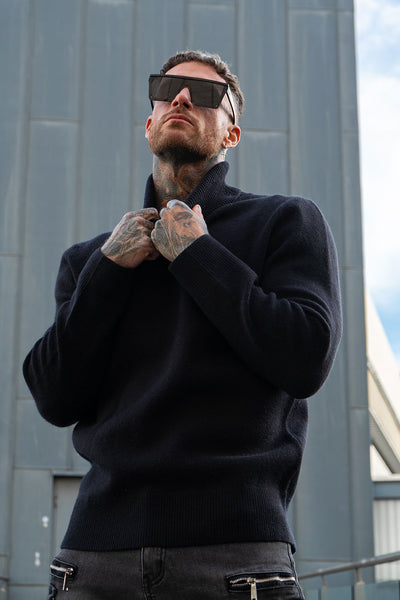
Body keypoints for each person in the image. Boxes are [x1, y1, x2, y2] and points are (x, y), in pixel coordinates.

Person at [23, 50, 342, 599]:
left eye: (208, 94)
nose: (183, 97)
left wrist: (198, 254)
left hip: (235, 559)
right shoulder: (93, 259)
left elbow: (306, 357)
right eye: (167, 89)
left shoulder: (284, 221)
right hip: (94, 561)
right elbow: (53, 396)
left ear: (231, 135)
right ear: (149, 124)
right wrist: (107, 270)